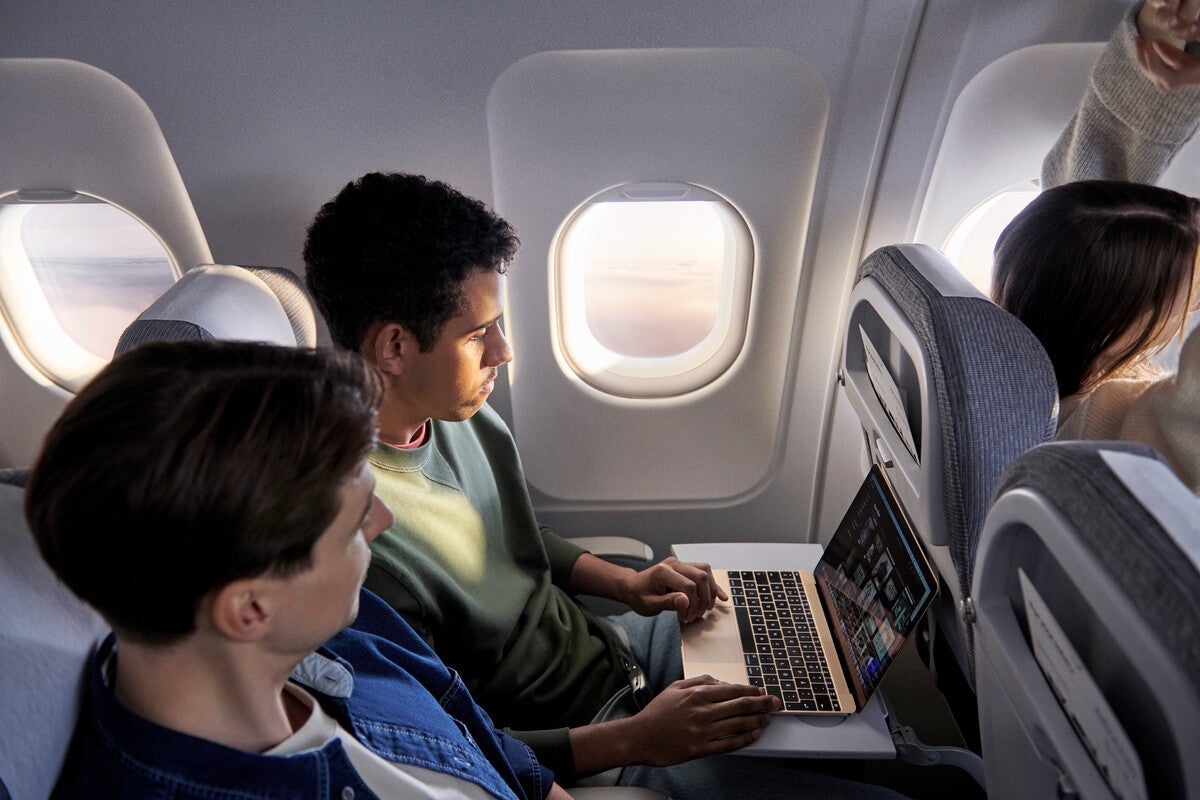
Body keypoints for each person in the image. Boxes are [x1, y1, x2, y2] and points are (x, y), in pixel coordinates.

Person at [303, 172, 909, 799]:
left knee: (813, 659)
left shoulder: (461, 417)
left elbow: (512, 537)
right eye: (479, 334)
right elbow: (456, 745)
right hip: (598, 743)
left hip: (622, 650)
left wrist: (627, 584)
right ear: (395, 346)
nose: (503, 352)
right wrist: (640, 738)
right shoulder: (360, 547)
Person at [26, 340, 567, 800]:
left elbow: (499, 754)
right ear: (251, 608)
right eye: (355, 522)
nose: (384, 520)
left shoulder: (347, 629)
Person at [995, 0, 1200, 492]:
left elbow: (1079, 200)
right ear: (1117, 331)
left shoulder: (1046, 376)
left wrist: (1162, 39)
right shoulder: (1127, 419)